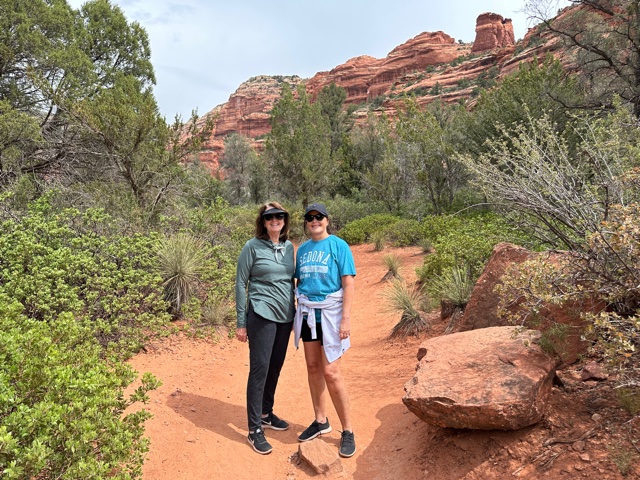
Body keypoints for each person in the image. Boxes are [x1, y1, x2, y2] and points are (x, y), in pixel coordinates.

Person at [294, 202, 357, 458]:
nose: (314, 221)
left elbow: (348, 283)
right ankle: (321, 421)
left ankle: (348, 430)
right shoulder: (303, 250)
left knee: (332, 372)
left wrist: (346, 319)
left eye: (319, 217)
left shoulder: (338, 245)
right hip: (309, 313)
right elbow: (299, 281)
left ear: (327, 220)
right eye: (310, 218)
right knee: (312, 366)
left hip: (331, 314)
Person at [235, 202, 295, 455]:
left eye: (279, 216)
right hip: (261, 313)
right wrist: (241, 322)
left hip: (285, 317)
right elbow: (240, 283)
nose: (275, 220)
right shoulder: (252, 246)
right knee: (260, 368)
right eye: (270, 216)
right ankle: (254, 429)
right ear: (263, 221)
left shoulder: (290, 247)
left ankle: (266, 413)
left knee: (275, 366)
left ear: (284, 220)